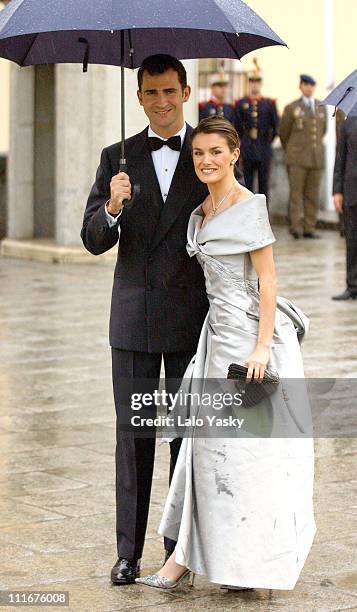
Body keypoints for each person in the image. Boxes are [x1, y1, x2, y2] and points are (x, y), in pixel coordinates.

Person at [136, 117, 316, 592]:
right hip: (215, 341)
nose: (206, 161)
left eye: (216, 151)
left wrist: (261, 348)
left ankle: (240, 562)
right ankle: (189, 558)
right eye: (198, 153)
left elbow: (268, 281)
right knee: (205, 451)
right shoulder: (202, 211)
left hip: (248, 347)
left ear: (235, 154)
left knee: (245, 457)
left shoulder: (249, 208)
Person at [81, 54, 210, 585]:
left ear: (186, 91)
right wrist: (112, 208)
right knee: (133, 435)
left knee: (187, 436)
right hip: (133, 317)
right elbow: (91, 239)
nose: (161, 102)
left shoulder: (209, 152)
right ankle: (128, 553)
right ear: (138, 97)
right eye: (151, 93)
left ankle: (178, 551)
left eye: (170, 91)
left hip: (190, 315)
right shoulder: (117, 157)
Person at [279, 74, 327, 239]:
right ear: (300, 86)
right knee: (296, 194)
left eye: (312, 85)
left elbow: (323, 131)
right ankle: (296, 227)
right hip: (297, 158)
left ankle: (309, 227)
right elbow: (283, 133)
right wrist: (292, 150)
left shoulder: (321, 106)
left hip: (315, 158)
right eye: (306, 84)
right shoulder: (292, 108)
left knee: (312, 195)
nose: (309, 88)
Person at [332, 115, 357, 300]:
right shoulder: (349, 121)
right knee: (353, 238)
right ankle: (353, 286)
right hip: (353, 186)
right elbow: (340, 157)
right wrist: (337, 190)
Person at [235, 63, 279, 201]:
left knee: (263, 186)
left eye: (257, 82)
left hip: (264, 149)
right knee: (246, 185)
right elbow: (236, 126)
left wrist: (267, 141)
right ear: (249, 84)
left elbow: (276, 126)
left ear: (261, 84)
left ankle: (263, 215)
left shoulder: (268, 103)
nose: (255, 85)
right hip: (247, 150)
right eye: (252, 82)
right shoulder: (241, 103)